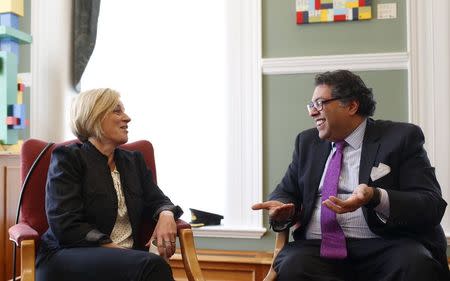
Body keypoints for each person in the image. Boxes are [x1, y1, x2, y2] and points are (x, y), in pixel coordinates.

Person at [252, 70, 449, 281]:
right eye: (311, 106)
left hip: (386, 246)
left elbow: (430, 204)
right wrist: (283, 209)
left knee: (414, 264)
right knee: (293, 264)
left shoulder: (401, 138)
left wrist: (375, 196)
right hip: (318, 250)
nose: (312, 112)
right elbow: (286, 191)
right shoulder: (307, 143)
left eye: (319, 103)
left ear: (352, 106)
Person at [36, 88, 183, 281]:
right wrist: (118, 251)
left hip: (127, 260)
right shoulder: (68, 158)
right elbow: (65, 223)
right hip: (67, 256)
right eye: (117, 111)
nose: (127, 118)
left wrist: (166, 214)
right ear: (94, 116)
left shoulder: (134, 161)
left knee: (150, 265)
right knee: (151, 265)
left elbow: (158, 200)